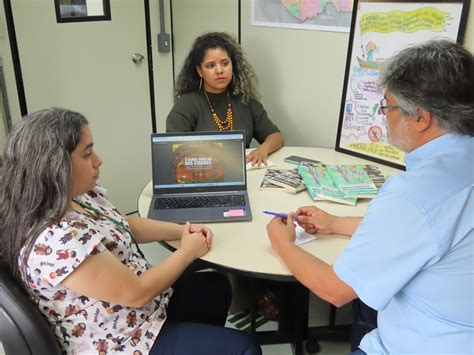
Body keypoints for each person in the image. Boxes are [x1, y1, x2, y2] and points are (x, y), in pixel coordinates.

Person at [266, 39, 473, 354]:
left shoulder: (413, 194)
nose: (384, 115)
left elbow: (334, 290)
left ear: (421, 117)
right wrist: (335, 223)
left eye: (387, 106)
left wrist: (281, 243)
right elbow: (431, 229)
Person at [0, 108, 262, 355]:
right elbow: (136, 293)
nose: (98, 160)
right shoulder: (54, 239)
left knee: (216, 287)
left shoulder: (75, 196)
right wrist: (188, 251)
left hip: (138, 309)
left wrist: (182, 230)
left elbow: (122, 224)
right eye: (87, 153)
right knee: (244, 347)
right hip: (122, 339)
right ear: (52, 167)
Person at [166, 32, 284, 165]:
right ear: (200, 71)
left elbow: (275, 136)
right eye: (210, 65)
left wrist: (263, 149)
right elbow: (175, 150)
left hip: (242, 174)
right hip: (202, 176)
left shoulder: (245, 99)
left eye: (225, 63)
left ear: (232, 65)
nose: (219, 70)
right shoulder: (186, 104)